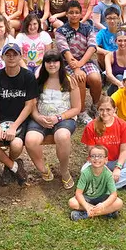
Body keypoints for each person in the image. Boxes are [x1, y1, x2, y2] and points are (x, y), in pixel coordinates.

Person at [24, 50, 82, 188]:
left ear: (60, 63)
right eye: (48, 61)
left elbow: (76, 107)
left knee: (62, 136)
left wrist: (59, 117)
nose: (52, 64)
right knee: (31, 140)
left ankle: (64, 170)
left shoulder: (69, 81)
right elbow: (32, 104)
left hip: (64, 118)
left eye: (55, 61)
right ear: (43, 64)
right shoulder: (38, 81)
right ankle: (44, 169)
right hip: (41, 118)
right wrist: (38, 117)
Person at [0, 42, 37, 185]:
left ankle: (8, 168)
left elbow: (29, 105)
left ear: (20, 57)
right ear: (2, 57)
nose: (11, 57)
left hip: (19, 119)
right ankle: (13, 166)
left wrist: (14, 127)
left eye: (15, 54)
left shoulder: (28, 77)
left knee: (17, 144)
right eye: (8, 54)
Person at [80, 95, 126, 189]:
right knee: (84, 171)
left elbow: (124, 150)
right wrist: (105, 170)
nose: (105, 113)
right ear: (97, 110)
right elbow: (92, 153)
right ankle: (119, 183)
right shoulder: (91, 126)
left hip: (116, 161)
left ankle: (102, 186)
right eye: (101, 110)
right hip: (97, 161)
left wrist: (118, 168)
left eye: (108, 109)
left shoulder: (122, 125)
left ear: (115, 110)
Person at [55, 0, 102, 123]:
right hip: (68, 64)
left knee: (96, 78)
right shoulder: (61, 31)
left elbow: (92, 47)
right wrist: (76, 68)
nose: (74, 15)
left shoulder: (88, 28)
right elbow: (65, 51)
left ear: (81, 14)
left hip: (85, 61)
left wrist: (80, 64)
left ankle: (95, 106)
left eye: (77, 12)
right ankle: (81, 111)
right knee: (80, 78)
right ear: (66, 14)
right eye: (71, 12)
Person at [69, 145, 124, 221]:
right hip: (87, 198)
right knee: (72, 202)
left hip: (102, 198)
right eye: (93, 156)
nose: (96, 158)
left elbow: (113, 194)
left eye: (100, 156)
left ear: (106, 160)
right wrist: (86, 206)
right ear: (89, 159)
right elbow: (78, 193)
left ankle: (86, 214)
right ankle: (107, 212)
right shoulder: (85, 173)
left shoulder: (108, 174)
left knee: (119, 202)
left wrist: (103, 205)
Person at [103, 28, 126, 94]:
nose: (122, 43)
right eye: (120, 41)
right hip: (116, 87)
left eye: (125, 41)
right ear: (116, 41)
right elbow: (109, 74)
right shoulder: (109, 56)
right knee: (119, 77)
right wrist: (120, 84)